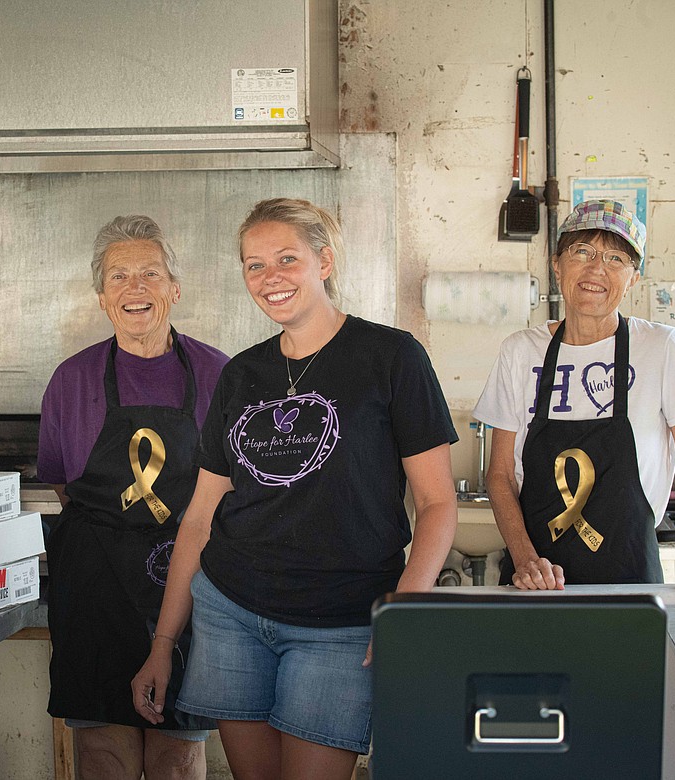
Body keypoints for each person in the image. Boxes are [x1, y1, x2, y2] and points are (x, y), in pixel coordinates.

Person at [132, 198, 459, 780]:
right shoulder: (243, 374)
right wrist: (163, 642)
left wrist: (403, 613)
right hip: (231, 611)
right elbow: (202, 517)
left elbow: (437, 505)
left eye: (287, 258)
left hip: (342, 622)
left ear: (325, 261)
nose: (270, 277)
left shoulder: (392, 357)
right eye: (254, 265)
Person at [473, 199, 675, 605]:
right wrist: (526, 560)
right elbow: (500, 476)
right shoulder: (521, 351)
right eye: (583, 252)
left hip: (632, 580)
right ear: (557, 264)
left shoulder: (661, 347)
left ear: (633, 278)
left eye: (616, 258)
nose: (597, 269)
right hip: (535, 583)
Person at [39, 215, 229, 780]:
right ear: (101, 298)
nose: (135, 288)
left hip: (190, 585)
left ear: (175, 288)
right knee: (104, 756)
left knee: (177, 757)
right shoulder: (71, 380)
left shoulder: (222, 374)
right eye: (119, 276)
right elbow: (62, 484)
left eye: (150, 273)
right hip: (96, 593)